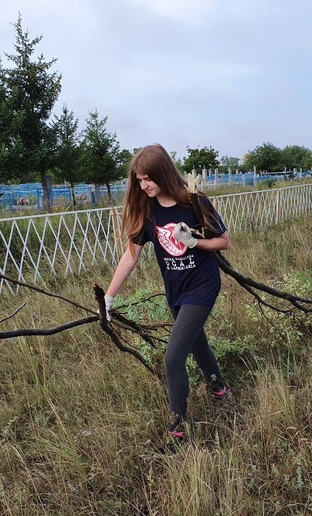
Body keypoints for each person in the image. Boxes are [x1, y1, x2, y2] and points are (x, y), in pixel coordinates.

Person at [104, 144, 231, 443]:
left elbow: (224, 242)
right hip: (175, 289)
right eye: (138, 179)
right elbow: (130, 256)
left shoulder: (193, 201)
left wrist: (194, 242)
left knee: (174, 357)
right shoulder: (148, 211)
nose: (143, 185)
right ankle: (219, 387)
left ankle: (176, 428)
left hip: (202, 285)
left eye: (148, 178)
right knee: (197, 344)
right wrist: (108, 297)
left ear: (163, 172)